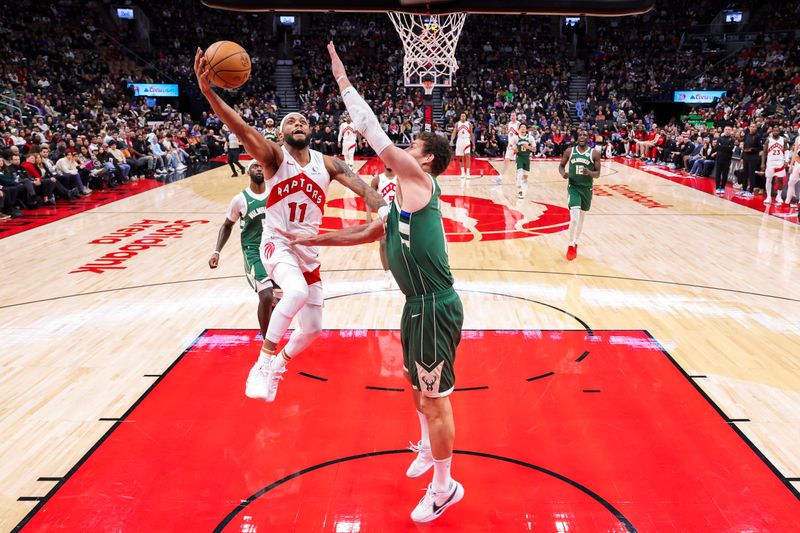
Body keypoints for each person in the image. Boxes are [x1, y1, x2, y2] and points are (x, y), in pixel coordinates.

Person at [282, 42, 464, 524]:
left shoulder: (419, 182)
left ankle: (445, 487)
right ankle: (426, 448)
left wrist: (343, 81)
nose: (403, 151)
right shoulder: (399, 196)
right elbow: (366, 231)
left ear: (424, 161)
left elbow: (371, 129)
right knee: (414, 385)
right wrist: (310, 236)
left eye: (413, 148)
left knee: (436, 399)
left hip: (435, 304)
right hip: (415, 305)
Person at [194, 47, 387, 403]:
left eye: (302, 121)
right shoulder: (273, 158)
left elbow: (364, 191)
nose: (297, 124)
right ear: (281, 134)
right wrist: (209, 93)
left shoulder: (328, 164)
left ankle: (280, 364)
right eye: (290, 122)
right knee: (294, 293)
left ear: (311, 130)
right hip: (277, 243)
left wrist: (388, 209)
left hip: (308, 250)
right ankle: (262, 363)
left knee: (313, 329)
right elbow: (241, 128)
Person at [209, 160, 278, 338]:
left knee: (284, 298)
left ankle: (273, 315)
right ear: (248, 172)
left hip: (276, 249)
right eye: (255, 166)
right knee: (266, 295)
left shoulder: (275, 193)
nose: (259, 169)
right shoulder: (240, 199)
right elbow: (226, 226)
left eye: (262, 166)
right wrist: (217, 251)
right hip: (253, 250)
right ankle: (267, 346)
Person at [559, 128, 601, 261]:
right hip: (574, 188)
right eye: (580, 135)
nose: (582, 136)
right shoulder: (569, 151)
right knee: (574, 219)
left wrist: (589, 172)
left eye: (585, 135)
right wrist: (563, 174)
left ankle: (576, 241)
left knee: (581, 219)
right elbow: (561, 166)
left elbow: (598, 174)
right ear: (577, 138)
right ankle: (570, 244)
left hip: (587, 189)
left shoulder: (594, 154)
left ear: (588, 138)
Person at [366, 164, 397, 287]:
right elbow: (369, 197)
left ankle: (404, 273)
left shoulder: (400, 178)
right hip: (383, 214)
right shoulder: (377, 179)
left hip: (399, 214)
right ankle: (387, 274)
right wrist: (368, 214)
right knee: (383, 243)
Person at [762, 126, 787, 205]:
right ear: (772, 131)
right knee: (768, 179)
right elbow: (764, 152)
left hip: (780, 162)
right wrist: (763, 163)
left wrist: (786, 161)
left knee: (780, 180)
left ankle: (778, 196)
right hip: (770, 162)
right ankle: (768, 197)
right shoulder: (768, 140)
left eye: (777, 130)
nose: (775, 132)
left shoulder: (784, 140)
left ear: (779, 132)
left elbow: (786, 151)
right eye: (774, 130)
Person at [450, 112, 474, 177]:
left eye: (464, 116)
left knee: (468, 156)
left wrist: (473, 144)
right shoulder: (457, 124)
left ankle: (468, 173)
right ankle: (462, 172)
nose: (463, 117)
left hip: (466, 140)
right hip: (459, 140)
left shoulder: (469, 124)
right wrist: (451, 140)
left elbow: (471, 134)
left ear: (466, 117)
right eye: (462, 116)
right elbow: (454, 132)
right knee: (461, 157)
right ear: (460, 117)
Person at [714, 126, 735, 194]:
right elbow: (717, 147)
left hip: (727, 160)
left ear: (731, 131)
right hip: (719, 158)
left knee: (725, 174)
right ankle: (717, 187)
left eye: (729, 129)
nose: (727, 131)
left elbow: (730, 149)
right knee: (718, 174)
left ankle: (722, 187)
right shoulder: (720, 138)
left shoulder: (732, 139)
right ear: (724, 130)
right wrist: (726, 146)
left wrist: (722, 146)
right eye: (726, 129)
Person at [515, 123, 534, 199]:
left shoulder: (530, 138)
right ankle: (520, 191)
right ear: (519, 129)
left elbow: (535, 149)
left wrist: (528, 147)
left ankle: (523, 190)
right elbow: (510, 146)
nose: (523, 128)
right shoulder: (516, 138)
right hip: (519, 157)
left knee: (525, 177)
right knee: (519, 173)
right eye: (521, 127)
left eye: (524, 127)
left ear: (526, 129)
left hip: (527, 158)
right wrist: (513, 148)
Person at [501, 111, 521, 183]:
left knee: (517, 162)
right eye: (511, 116)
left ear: (516, 116)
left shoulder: (518, 124)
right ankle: (501, 177)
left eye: (514, 115)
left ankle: (518, 176)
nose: (512, 117)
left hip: (516, 145)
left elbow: (520, 134)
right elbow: (510, 134)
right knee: (506, 160)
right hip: (510, 145)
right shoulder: (509, 124)